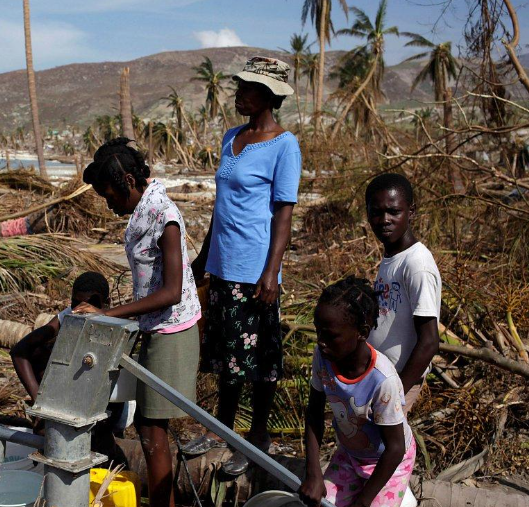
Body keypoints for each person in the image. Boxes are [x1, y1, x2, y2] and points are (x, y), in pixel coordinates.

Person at [182, 56, 301, 475]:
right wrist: (203, 257)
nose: (239, 95)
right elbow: (222, 206)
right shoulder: (231, 137)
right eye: (239, 87)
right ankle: (222, 430)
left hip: (255, 271)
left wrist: (272, 272)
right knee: (226, 356)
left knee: (259, 361)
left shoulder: (285, 145)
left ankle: (258, 439)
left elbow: (283, 214)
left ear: (269, 97)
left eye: (248, 89)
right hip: (223, 265)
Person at [74, 138, 201, 507]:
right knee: (148, 427)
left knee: (151, 428)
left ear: (129, 180)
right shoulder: (142, 212)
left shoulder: (165, 215)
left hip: (171, 329)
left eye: (110, 194)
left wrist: (106, 315)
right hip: (154, 325)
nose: (109, 203)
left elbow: (172, 291)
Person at [299, 277, 415, 507]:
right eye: (318, 332)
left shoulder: (383, 381)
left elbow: (395, 448)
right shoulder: (323, 357)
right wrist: (313, 473)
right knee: (321, 504)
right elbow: (314, 414)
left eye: (330, 335)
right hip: (351, 456)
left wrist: (363, 501)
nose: (321, 342)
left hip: (389, 464)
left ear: (361, 332)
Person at [10, 271, 129, 458]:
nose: (82, 309)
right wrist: (40, 403)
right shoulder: (68, 317)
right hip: (72, 397)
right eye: (76, 303)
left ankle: (102, 441)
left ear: (106, 304)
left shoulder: (115, 324)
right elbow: (20, 352)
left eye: (91, 304)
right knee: (43, 352)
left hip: (107, 408)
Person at [365, 173, 441, 414]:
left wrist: (397, 392)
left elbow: (429, 341)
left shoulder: (417, 264)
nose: (384, 220)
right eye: (376, 212)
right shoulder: (392, 258)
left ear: (411, 211)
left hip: (399, 381)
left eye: (393, 212)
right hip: (381, 379)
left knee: (386, 448)